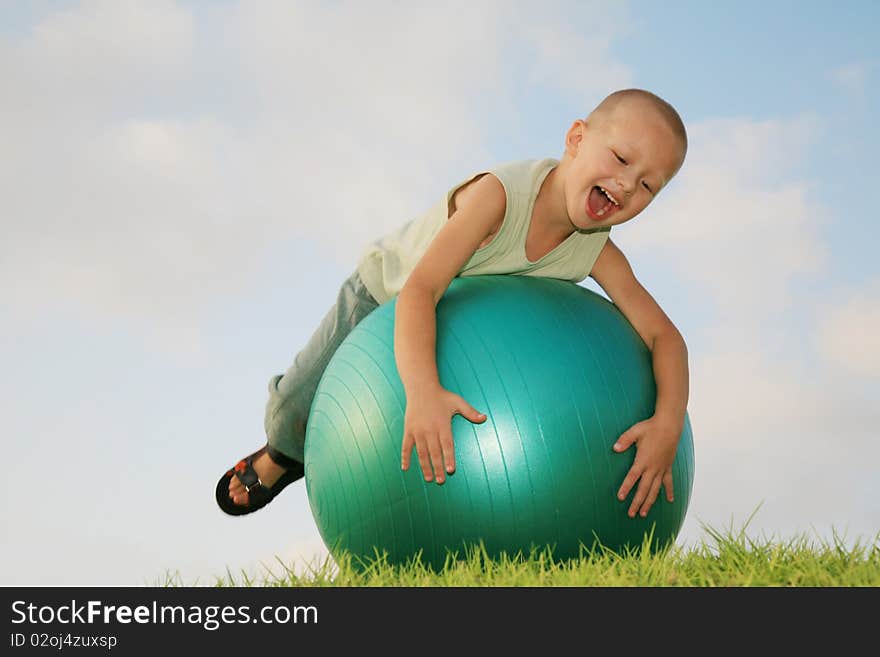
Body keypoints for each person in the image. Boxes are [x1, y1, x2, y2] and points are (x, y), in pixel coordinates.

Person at [216, 88, 690, 521]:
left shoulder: (597, 251)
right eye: (622, 159)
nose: (628, 186)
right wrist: (422, 392)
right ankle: (280, 455)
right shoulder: (499, 198)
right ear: (576, 138)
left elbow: (664, 336)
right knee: (298, 404)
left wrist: (668, 421)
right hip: (386, 294)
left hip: (464, 326)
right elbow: (421, 291)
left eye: (649, 185)